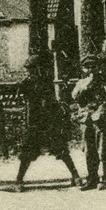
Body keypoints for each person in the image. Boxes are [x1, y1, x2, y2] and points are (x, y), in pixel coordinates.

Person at [16, 54, 82, 191]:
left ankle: (75, 176)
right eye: (28, 69)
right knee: (27, 153)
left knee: (61, 150)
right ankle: (19, 180)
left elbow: (52, 101)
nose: (30, 72)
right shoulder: (25, 84)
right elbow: (23, 101)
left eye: (33, 69)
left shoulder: (46, 82)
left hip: (49, 122)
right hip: (33, 122)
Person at [71, 52, 106, 190]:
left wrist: (105, 111)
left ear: (98, 67)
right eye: (87, 67)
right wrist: (86, 85)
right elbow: (75, 97)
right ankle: (92, 179)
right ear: (83, 69)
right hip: (86, 119)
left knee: (103, 149)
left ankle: (105, 179)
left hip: (102, 119)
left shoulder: (105, 82)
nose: (90, 70)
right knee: (89, 150)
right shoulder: (82, 82)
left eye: (93, 66)